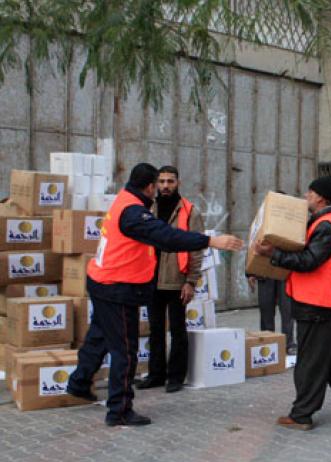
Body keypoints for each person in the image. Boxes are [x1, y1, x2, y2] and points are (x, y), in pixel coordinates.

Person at [66, 163, 244, 426]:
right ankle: (119, 410)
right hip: (117, 288)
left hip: (102, 280)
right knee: (125, 351)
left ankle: (79, 383)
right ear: (150, 186)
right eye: (159, 184)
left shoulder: (124, 200)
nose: (162, 188)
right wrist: (210, 241)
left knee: (99, 336)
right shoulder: (134, 212)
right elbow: (166, 237)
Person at [252, 175, 331, 430]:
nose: (305, 197)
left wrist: (273, 254)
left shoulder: (325, 226)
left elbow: (308, 261)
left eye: (309, 193)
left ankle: (302, 414)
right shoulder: (324, 222)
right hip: (329, 304)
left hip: (318, 306)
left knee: (310, 364)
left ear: (320, 198)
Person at [137, 165, 204, 393]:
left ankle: (175, 377)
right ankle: (156, 375)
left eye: (170, 181)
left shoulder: (190, 211)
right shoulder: (147, 208)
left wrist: (190, 281)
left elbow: (197, 249)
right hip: (151, 278)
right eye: (162, 181)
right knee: (155, 330)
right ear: (156, 184)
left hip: (177, 280)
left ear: (178, 183)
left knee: (177, 330)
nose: (165, 186)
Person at [247, 275, 297, 353]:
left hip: (285, 271)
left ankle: (289, 343)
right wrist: (250, 274)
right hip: (264, 273)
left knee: (287, 309)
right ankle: (267, 342)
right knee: (266, 308)